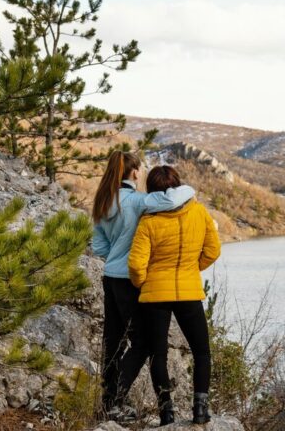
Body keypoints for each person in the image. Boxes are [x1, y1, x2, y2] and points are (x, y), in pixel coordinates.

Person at [91, 152, 196, 421]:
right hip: (130, 280)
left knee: (113, 341)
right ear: (135, 173)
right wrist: (190, 188)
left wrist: (117, 252)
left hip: (110, 278)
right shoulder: (140, 202)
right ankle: (115, 403)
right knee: (142, 343)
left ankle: (107, 402)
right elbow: (173, 198)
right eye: (141, 169)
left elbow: (99, 246)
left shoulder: (103, 201)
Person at [128, 165, 221, 426]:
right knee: (202, 352)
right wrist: (191, 269)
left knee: (158, 355)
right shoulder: (199, 211)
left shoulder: (148, 220)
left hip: (155, 295)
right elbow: (213, 250)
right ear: (177, 184)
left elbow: (136, 265)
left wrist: (145, 283)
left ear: (152, 190)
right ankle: (200, 410)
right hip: (189, 291)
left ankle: (166, 413)